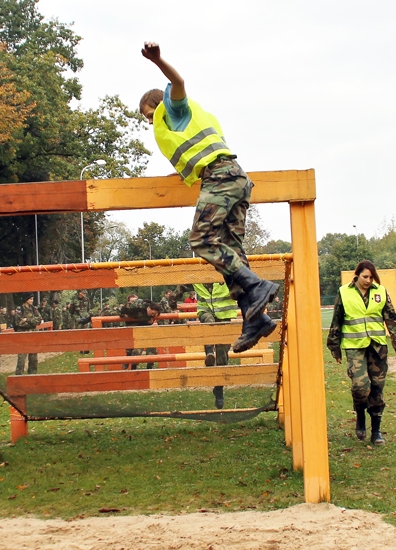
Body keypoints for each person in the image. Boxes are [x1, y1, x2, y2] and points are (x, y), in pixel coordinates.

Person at [139, 42, 277, 354]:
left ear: (157, 104)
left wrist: (157, 60)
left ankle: (256, 286)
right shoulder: (194, 120)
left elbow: (178, 82)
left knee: (201, 240)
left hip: (221, 176)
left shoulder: (173, 108)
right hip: (236, 177)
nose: (149, 122)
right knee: (232, 252)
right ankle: (255, 319)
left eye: (148, 115)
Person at [327, 260, 396, 447]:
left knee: (377, 388)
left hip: (377, 347)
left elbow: (392, 319)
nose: (368, 280)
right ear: (357, 275)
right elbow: (337, 320)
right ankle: (360, 415)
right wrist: (334, 346)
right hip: (355, 347)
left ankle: (376, 430)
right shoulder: (344, 292)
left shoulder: (380, 292)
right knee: (360, 387)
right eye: (365, 277)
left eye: (371, 277)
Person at [193, 282, 238, 409]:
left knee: (222, 355)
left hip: (224, 317)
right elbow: (183, 283)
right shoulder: (198, 277)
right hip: (205, 311)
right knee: (209, 322)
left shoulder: (226, 275)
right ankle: (209, 352)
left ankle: (219, 389)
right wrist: (173, 298)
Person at [120, 298, 162, 370]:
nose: (152, 315)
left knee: (148, 350)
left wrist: (152, 320)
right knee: (131, 349)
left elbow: (156, 312)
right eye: (152, 313)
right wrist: (123, 315)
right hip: (132, 324)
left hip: (142, 328)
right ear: (148, 309)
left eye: (154, 314)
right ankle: (129, 364)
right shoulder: (138, 306)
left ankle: (147, 367)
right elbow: (123, 309)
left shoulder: (153, 311)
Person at [14, 294, 42, 375]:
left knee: (33, 358)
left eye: (32, 299)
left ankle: (32, 375)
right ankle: (19, 376)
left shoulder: (34, 309)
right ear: (26, 300)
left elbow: (39, 320)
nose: (32, 300)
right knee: (21, 358)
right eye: (30, 299)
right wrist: (32, 322)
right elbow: (19, 323)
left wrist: (27, 320)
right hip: (23, 336)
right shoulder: (19, 309)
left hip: (33, 335)